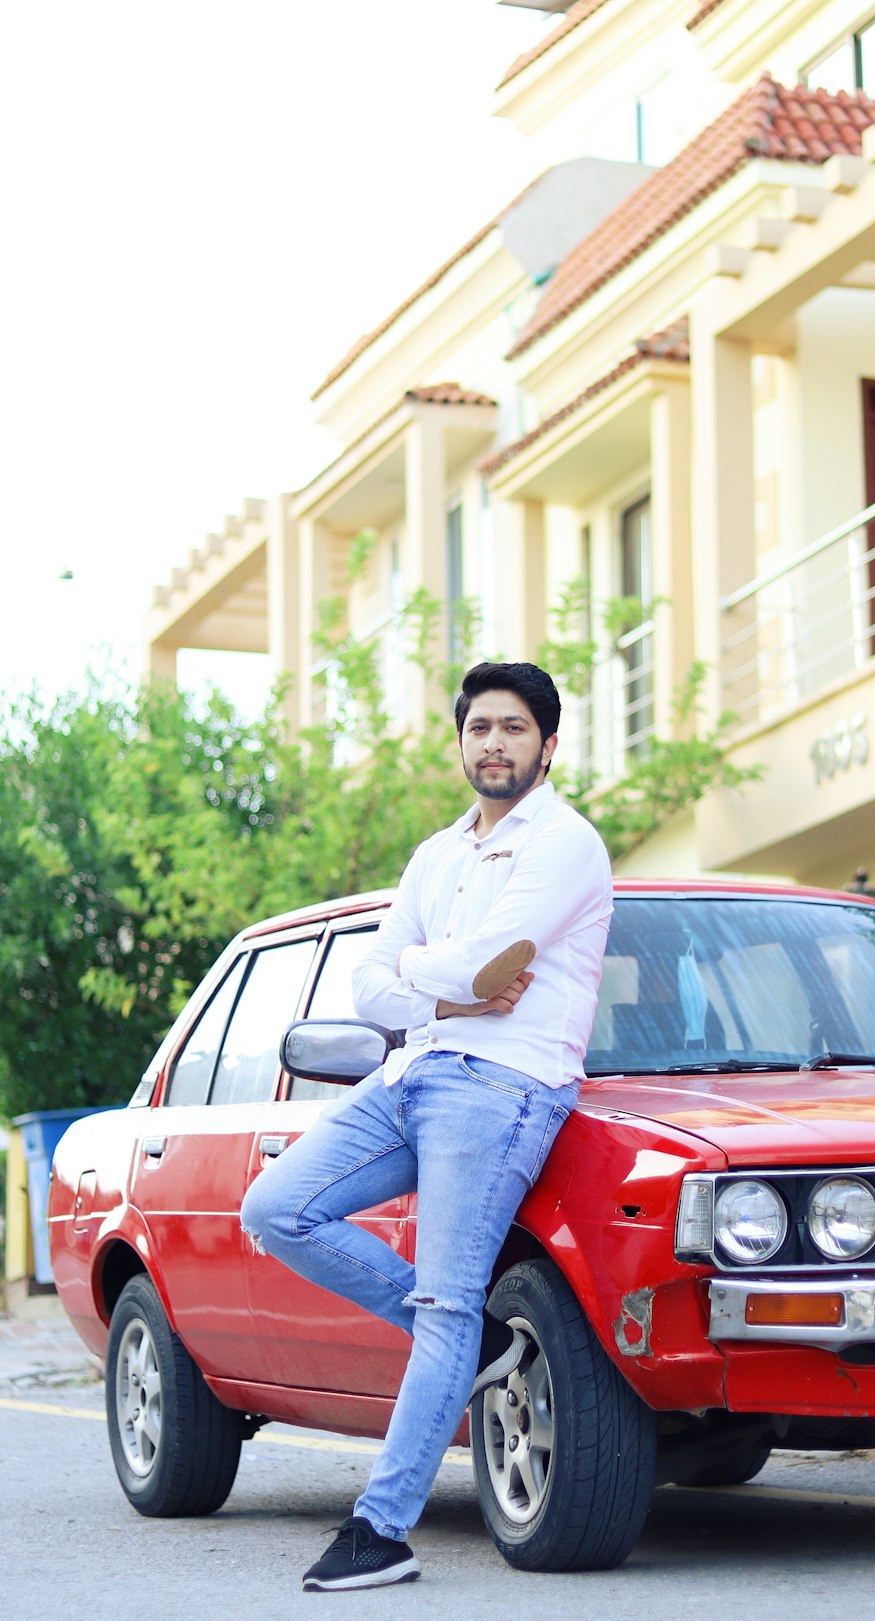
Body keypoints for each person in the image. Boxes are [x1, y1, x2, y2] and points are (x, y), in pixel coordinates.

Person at [240, 660, 612, 1593]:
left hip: (505, 1084)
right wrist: (453, 987)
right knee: (278, 1207)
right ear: (461, 741)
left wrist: (433, 975)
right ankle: (481, 1345)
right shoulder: (436, 854)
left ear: (548, 745)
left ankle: (383, 1528)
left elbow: (489, 964)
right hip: (413, 1071)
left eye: (515, 727)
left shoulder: (565, 844)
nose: (495, 741)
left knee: (446, 1302)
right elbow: (371, 983)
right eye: (480, 726)